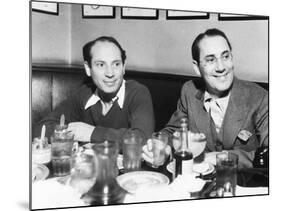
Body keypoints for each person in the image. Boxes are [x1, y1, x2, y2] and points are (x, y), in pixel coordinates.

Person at [143, 28, 268, 169]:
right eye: (210, 60)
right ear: (197, 68)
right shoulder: (189, 91)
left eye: (225, 56)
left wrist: (219, 158)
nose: (221, 67)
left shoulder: (259, 97)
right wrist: (163, 149)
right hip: (198, 183)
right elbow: (175, 132)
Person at [34, 36, 155, 145]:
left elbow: (143, 139)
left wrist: (91, 133)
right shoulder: (84, 93)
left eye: (116, 64)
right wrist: (71, 132)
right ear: (88, 68)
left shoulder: (138, 93)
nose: (110, 73)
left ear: (124, 67)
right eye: (101, 65)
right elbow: (40, 129)